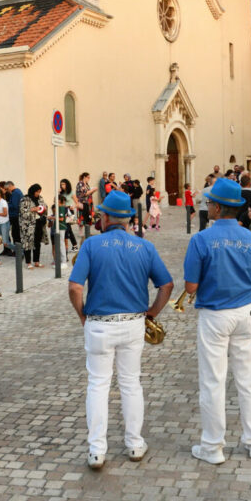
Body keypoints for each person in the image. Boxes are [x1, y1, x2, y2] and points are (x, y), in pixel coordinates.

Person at [67, 191, 173, 469]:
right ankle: (135, 444)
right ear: (128, 219)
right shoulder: (145, 247)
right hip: (133, 324)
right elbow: (167, 285)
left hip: (99, 324)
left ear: (104, 217)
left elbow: (75, 287)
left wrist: (82, 316)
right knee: (131, 383)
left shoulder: (91, 245)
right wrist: (152, 311)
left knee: (98, 385)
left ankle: (96, 450)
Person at [181, 178, 251, 464]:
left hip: (214, 316)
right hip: (245, 313)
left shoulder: (201, 239)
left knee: (213, 382)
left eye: (209, 203)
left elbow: (190, 287)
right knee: (247, 380)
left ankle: (213, 446)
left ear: (218, 207)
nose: (208, 207)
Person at [19, 184, 47, 269]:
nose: (38, 193)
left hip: (38, 222)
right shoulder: (25, 199)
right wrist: (33, 209)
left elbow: (44, 206)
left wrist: (44, 209)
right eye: (37, 192)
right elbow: (22, 212)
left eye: (39, 192)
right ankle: (28, 262)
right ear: (33, 191)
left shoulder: (40, 198)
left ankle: (37, 261)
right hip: (28, 225)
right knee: (28, 243)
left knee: (37, 242)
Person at [0, 186, 14, 257]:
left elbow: (5, 214)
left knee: (5, 243)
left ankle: (19, 250)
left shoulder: (3, 202)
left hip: (4, 223)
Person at [6, 181, 23, 250]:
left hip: (15, 216)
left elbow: (15, 205)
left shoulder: (15, 193)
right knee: (15, 234)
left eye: (7, 189)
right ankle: (18, 250)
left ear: (10, 186)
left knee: (16, 234)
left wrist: (6, 204)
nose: (7, 191)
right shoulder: (17, 192)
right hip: (16, 216)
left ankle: (18, 251)